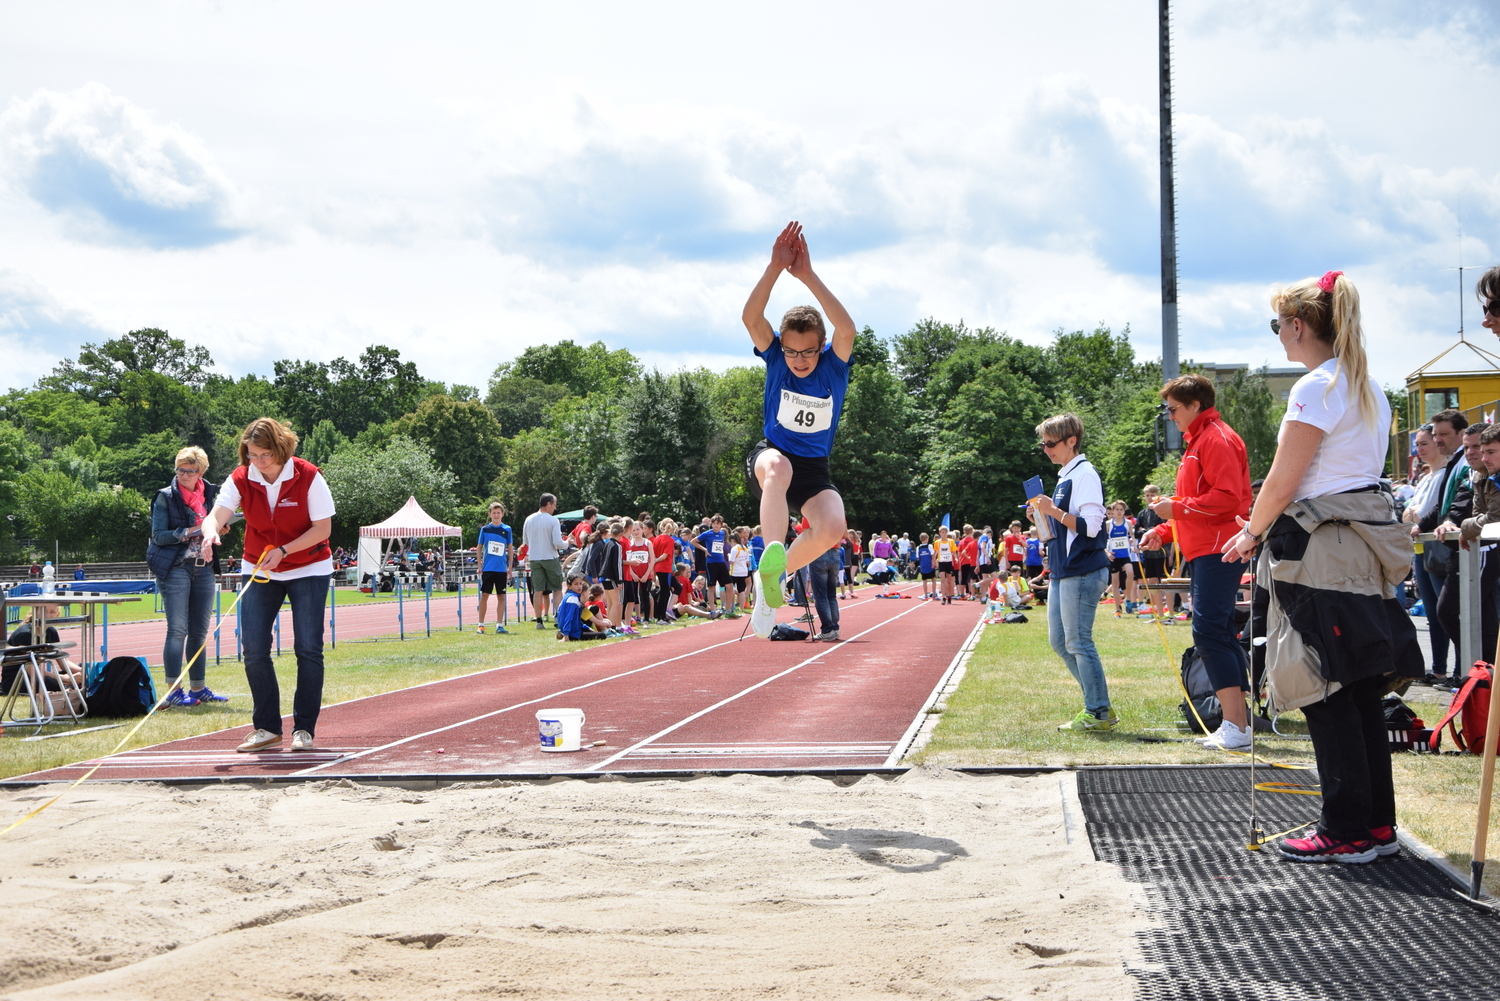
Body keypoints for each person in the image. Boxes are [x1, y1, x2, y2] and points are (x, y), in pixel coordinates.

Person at [1222, 270, 1421, 863]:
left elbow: (1286, 478)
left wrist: (1251, 533)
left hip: (1321, 549)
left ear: (1300, 325)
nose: (1278, 335)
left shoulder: (1316, 386)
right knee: (1357, 686)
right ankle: (1374, 825)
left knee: (1325, 686)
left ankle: (1346, 828)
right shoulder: (1367, 386)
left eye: (1278, 324)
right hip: (1360, 545)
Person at [741, 222, 855, 638]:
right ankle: (772, 551)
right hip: (770, 456)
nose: (799, 360)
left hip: (814, 469)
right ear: (781, 345)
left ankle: (771, 578)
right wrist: (775, 267)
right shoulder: (774, 356)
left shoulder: (833, 365)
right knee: (779, 469)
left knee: (832, 528)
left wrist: (807, 276)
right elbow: (751, 317)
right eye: (791, 351)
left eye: (807, 351)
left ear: (821, 346)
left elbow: (848, 330)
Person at [199, 418, 334, 753]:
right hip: (260, 567)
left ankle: (304, 729)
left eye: (265, 455)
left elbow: (323, 529)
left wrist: (285, 550)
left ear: (282, 449)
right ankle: (267, 728)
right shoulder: (241, 477)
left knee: (307, 648)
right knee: (254, 647)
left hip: (309, 567)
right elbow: (216, 513)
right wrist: (210, 532)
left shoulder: (308, 476)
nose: (259, 462)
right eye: (252, 455)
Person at [1140, 374, 1254, 750]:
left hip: (1219, 548)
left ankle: (1236, 725)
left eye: (1173, 409)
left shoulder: (1216, 438)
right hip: (1208, 547)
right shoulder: (1201, 440)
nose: (1170, 416)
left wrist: (1176, 508)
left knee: (1209, 632)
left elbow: (1228, 497)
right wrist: (1166, 531)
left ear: (1194, 405)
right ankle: (1238, 723)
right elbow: (1199, 503)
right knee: (1218, 631)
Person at [1030, 413, 1114, 732]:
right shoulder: (1066, 475)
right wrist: (1042, 517)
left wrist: (1053, 511)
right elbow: (1063, 527)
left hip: (1082, 569)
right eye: (1043, 443)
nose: (1046, 449)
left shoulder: (1085, 473)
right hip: (1064, 570)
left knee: (1078, 641)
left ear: (1071, 441)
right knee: (1061, 642)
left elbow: (1091, 527)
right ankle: (1098, 705)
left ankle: (1097, 710)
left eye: (1051, 443)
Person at [147, 445, 231, 707]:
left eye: (190, 471)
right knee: (177, 630)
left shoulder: (211, 494)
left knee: (199, 632)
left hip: (203, 567)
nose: (183, 475)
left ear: (201, 472)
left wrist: (219, 529)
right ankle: (173, 691)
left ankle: (198, 688)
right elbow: (158, 536)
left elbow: (213, 524)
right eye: (180, 470)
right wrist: (191, 531)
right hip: (176, 568)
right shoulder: (165, 497)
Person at [1434, 422, 1498, 678]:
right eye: (1472, 449)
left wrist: (1465, 528)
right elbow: (1477, 513)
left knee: (1453, 610)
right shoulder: (1478, 475)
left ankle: (1482, 669)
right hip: (1480, 547)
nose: (1478, 455)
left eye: (1487, 451)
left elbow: (1491, 518)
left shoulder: (1492, 477)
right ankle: (1484, 673)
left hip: (1487, 549)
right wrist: (1466, 526)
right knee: (1482, 616)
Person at [1405, 421, 1457, 682]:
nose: (1422, 448)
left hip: (1438, 548)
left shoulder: (1445, 475)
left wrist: (1414, 514)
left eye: (1425, 443)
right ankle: (1438, 668)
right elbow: (1408, 514)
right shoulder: (1426, 477)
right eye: (1419, 444)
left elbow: (1424, 513)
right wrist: (1414, 514)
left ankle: (1459, 669)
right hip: (1421, 548)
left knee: (1446, 611)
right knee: (1433, 613)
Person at [523, 494, 567, 629]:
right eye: (554, 504)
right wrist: (567, 543)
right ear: (548, 504)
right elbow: (557, 542)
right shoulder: (553, 520)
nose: (555, 507)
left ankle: (539, 621)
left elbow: (526, 541)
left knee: (538, 590)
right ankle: (559, 617)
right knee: (557, 588)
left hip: (535, 558)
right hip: (550, 557)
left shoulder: (529, 519)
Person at [475, 501, 512, 635]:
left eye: (498, 513)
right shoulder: (485, 529)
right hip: (488, 568)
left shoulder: (507, 529)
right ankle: (481, 625)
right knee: (484, 595)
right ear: (490, 514)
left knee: (501, 596)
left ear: (502, 514)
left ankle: (499, 625)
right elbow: (479, 548)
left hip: (501, 569)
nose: (496, 515)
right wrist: (479, 565)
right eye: (494, 513)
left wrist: (510, 567)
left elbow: (510, 548)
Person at [1104, 502, 1140, 617]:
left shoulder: (1128, 523)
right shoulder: (1108, 524)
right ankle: (1117, 609)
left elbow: (1132, 537)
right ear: (1113, 512)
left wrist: (1135, 547)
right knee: (1115, 582)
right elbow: (1102, 541)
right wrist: (1107, 552)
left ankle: (1128, 598)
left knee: (1130, 573)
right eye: (1117, 509)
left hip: (1125, 554)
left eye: (1121, 509)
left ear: (1124, 511)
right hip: (1114, 556)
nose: (1119, 512)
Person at [556, 575, 609, 641]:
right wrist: (566, 636)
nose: (579, 586)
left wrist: (589, 629)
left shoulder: (571, 596)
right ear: (569, 586)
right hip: (573, 634)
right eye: (576, 584)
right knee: (602, 635)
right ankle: (564, 635)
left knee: (597, 634)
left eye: (580, 584)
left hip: (574, 630)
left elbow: (577, 621)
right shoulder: (573, 599)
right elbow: (568, 618)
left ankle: (562, 633)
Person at [807, 544, 842, 641]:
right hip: (835, 553)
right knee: (831, 596)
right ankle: (834, 628)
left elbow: (806, 536)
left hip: (819, 552)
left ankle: (827, 630)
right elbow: (844, 535)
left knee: (821, 596)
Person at [934, 525, 957, 604]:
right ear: (940, 533)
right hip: (941, 562)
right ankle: (943, 597)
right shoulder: (937, 542)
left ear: (947, 533)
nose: (944, 534)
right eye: (942, 532)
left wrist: (956, 558)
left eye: (945, 532)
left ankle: (949, 596)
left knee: (949, 581)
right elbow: (935, 553)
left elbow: (954, 551)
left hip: (949, 562)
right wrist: (934, 561)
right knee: (943, 580)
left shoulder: (951, 541)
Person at [916, 532, 936, 599]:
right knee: (933, 579)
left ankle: (925, 594)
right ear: (927, 539)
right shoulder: (929, 546)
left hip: (923, 566)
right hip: (930, 565)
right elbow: (933, 555)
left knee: (924, 581)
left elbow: (918, 558)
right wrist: (934, 563)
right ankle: (934, 594)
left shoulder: (918, 548)